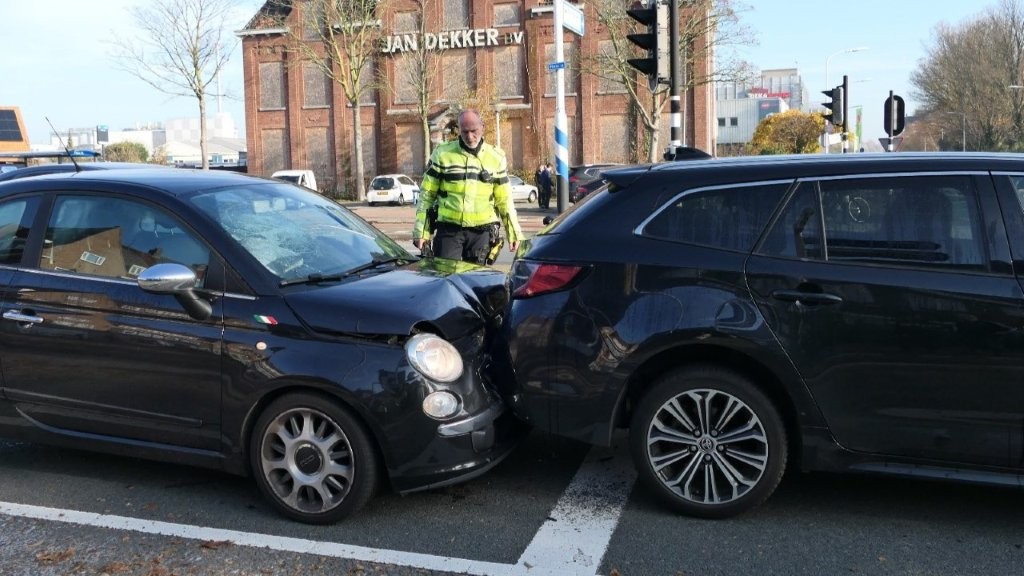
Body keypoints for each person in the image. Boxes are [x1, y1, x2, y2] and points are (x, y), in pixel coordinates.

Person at [413, 108, 523, 263]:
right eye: (465, 132)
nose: (470, 137)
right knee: (445, 279)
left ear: (482, 127)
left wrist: (514, 233)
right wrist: (421, 232)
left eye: (474, 131)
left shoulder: (496, 157)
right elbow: (427, 195)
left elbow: (504, 199)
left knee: (476, 283)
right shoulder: (442, 154)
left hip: (482, 232)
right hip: (449, 230)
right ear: (459, 129)